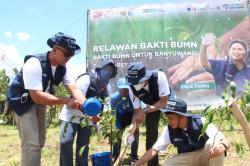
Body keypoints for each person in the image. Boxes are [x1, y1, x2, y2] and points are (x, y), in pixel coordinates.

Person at [7, 32, 84, 166]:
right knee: (32, 145)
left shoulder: (63, 68)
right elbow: (36, 95)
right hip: (22, 102)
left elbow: (74, 89)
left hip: (41, 103)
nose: (69, 57)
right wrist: (65, 100)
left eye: (71, 54)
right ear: (54, 49)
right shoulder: (34, 63)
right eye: (66, 53)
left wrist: (90, 109)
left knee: (39, 142)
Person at [133, 98, 229, 166]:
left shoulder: (200, 121)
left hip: (207, 155)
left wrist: (223, 146)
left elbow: (224, 139)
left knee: (213, 142)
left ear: (182, 117)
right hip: (188, 158)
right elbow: (154, 150)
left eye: (171, 118)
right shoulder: (169, 129)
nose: (168, 121)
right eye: (167, 118)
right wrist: (136, 165)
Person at [59, 59, 117, 166]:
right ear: (99, 68)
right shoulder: (86, 79)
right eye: (106, 69)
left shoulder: (106, 87)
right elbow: (77, 100)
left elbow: (104, 105)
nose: (108, 72)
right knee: (65, 142)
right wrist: (90, 114)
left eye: (111, 71)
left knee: (83, 146)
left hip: (87, 120)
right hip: (71, 115)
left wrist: (99, 116)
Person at [125, 62, 171, 166]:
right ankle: (152, 164)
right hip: (150, 106)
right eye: (133, 82)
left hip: (167, 101)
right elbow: (137, 110)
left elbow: (164, 101)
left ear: (145, 78)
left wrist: (145, 111)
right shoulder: (131, 88)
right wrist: (131, 129)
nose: (135, 84)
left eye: (138, 82)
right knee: (151, 135)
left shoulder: (159, 77)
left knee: (175, 127)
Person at [111, 77, 139, 164]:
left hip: (132, 115)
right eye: (122, 90)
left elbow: (137, 111)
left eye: (126, 90)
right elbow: (113, 113)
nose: (124, 92)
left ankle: (134, 156)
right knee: (117, 135)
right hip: (120, 116)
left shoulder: (133, 97)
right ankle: (115, 156)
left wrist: (135, 124)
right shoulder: (114, 98)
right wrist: (115, 125)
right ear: (118, 89)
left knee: (135, 135)